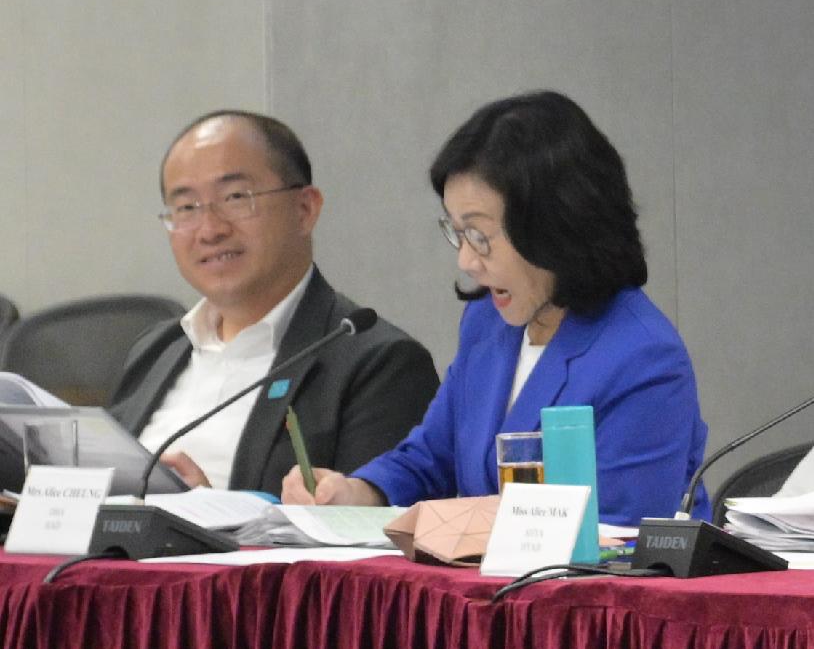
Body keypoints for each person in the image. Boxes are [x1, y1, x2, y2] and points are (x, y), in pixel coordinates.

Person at [287, 91, 704, 520]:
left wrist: (462, 528)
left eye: (480, 236)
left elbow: (621, 536)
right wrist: (358, 492)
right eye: (458, 233)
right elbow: (432, 457)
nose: (466, 261)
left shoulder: (644, 357)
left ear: (557, 225)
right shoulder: (488, 323)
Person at [104, 110, 439, 491]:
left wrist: (211, 517)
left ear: (304, 210)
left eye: (234, 198)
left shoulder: (378, 364)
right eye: (186, 208)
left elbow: (367, 535)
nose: (210, 229)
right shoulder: (155, 351)